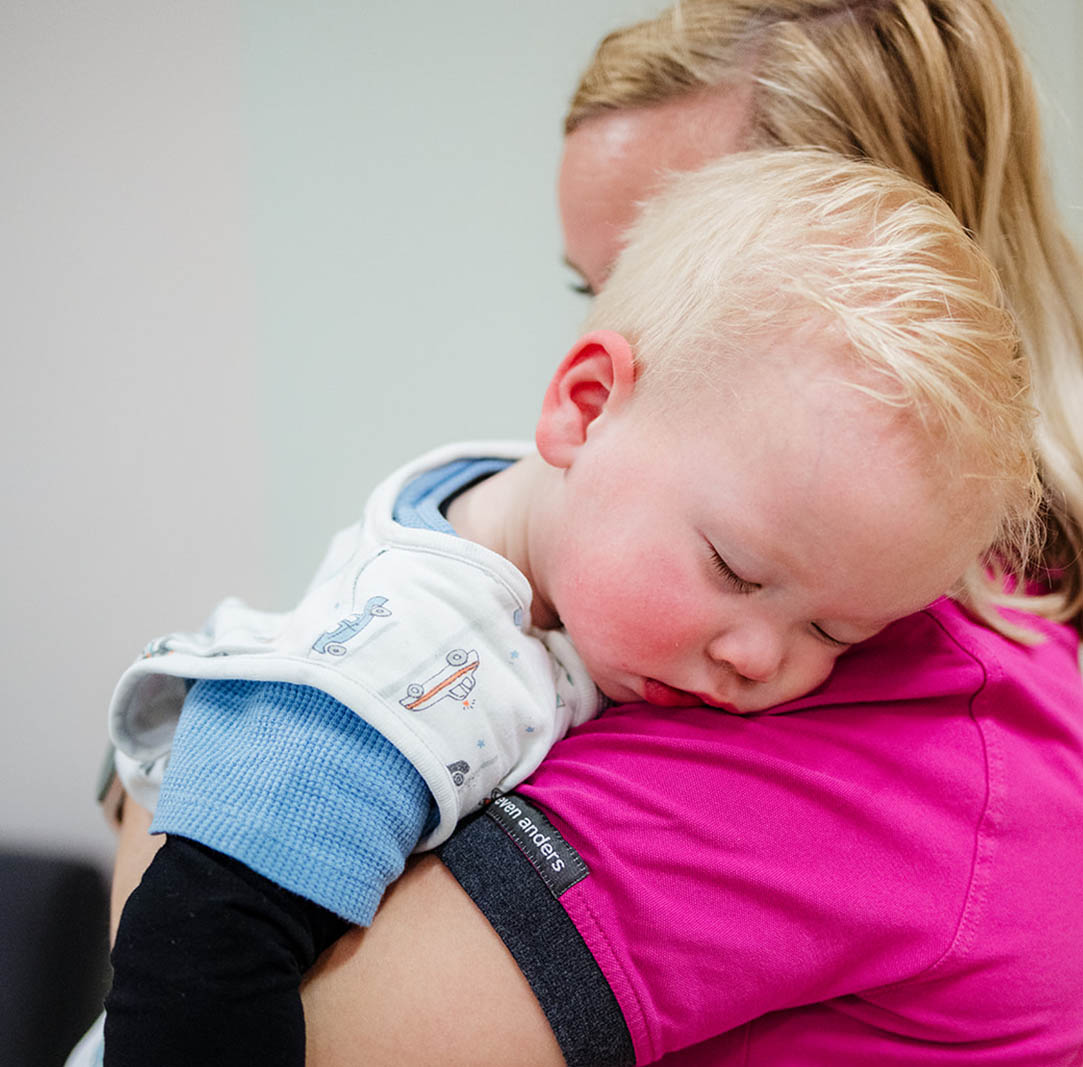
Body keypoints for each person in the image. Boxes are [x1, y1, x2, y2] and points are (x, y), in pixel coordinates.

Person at [81, 1, 1083, 1065]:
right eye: (592, 282)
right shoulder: (457, 622)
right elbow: (197, 945)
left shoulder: (892, 700)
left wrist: (172, 757)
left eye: (833, 626)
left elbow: (324, 1031)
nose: (763, 658)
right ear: (589, 394)